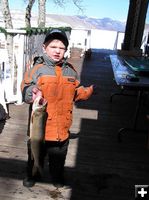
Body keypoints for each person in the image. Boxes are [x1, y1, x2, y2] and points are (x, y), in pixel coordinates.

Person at [21, 29, 94, 188]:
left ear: (65, 51)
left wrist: (85, 93)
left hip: (61, 128)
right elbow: (25, 88)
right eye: (53, 46)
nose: (57, 51)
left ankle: (57, 176)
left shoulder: (71, 70)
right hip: (41, 128)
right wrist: (30, 93)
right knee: (35, 155)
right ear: (44, 47)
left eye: (61, 48)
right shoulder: (37, 69)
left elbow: (76, 91)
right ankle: (32, 174)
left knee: (59, 158)